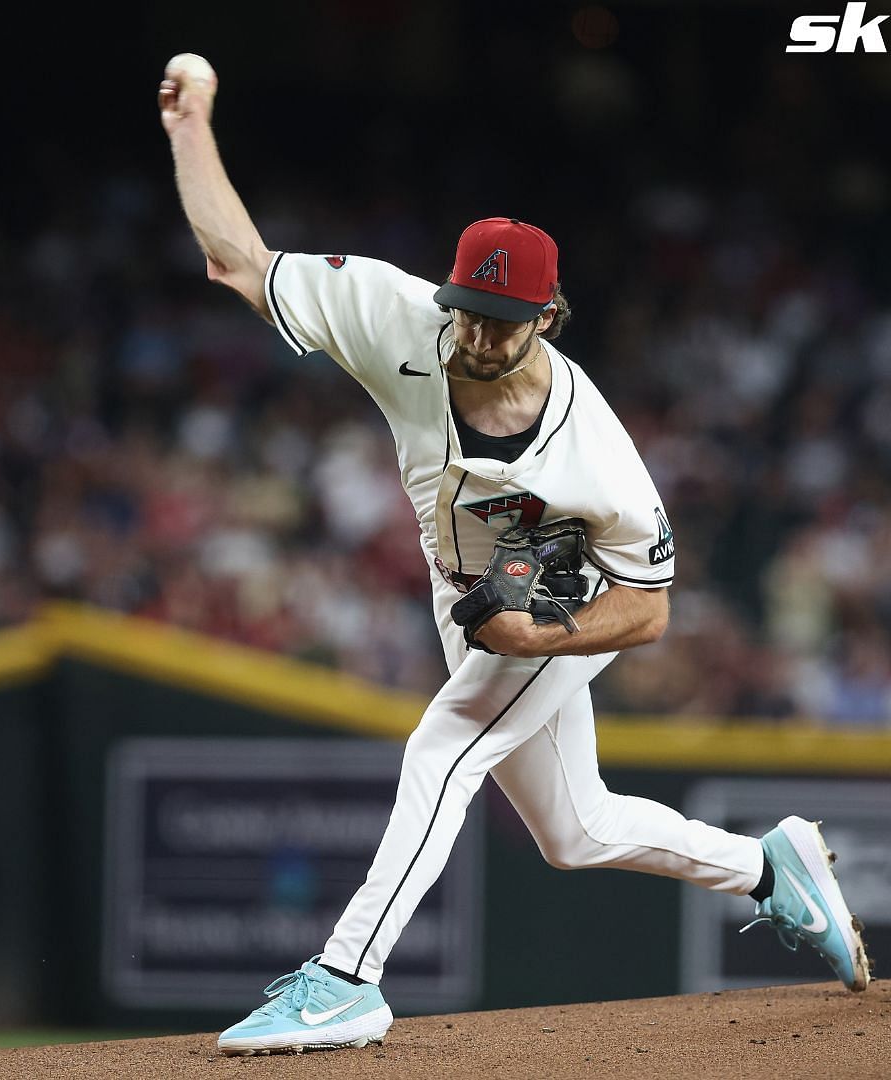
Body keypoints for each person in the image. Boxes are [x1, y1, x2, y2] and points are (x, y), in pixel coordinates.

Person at [156, 54, 870, 1056]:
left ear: (547, 317)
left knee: (442, 749)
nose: (478, 332)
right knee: (573, 832)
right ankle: (768, 867)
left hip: (560, 602)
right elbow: (239, 255)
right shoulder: (401, 314)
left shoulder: (599, 457)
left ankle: (345, 977)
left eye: (502, 320)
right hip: (473, 596)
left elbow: (653, 608)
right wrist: (193, 126)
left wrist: (545, 631)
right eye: (468, 308)